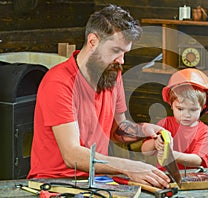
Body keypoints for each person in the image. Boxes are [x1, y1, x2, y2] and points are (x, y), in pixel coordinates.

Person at [27, 4, 171, 188]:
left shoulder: (112, 73)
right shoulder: (58, 83)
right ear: (93, 41)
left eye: (124, 53)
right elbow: (72, 155)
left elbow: (119, 129)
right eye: (116, 51)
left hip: (96, 180)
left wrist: (145, 130)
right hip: (54, 183)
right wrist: (128, 166)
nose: (122, 61)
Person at [141, 68, 208, 169]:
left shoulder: (204, 131)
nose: (186, 115)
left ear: (202, 108)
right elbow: (145, 151)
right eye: (180, 109)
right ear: (171, 105)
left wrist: (172, 155)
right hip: (164, 176)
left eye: (193, 110)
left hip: (191, 179)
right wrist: (154, 143)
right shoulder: (164, 124)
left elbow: (198, 160)